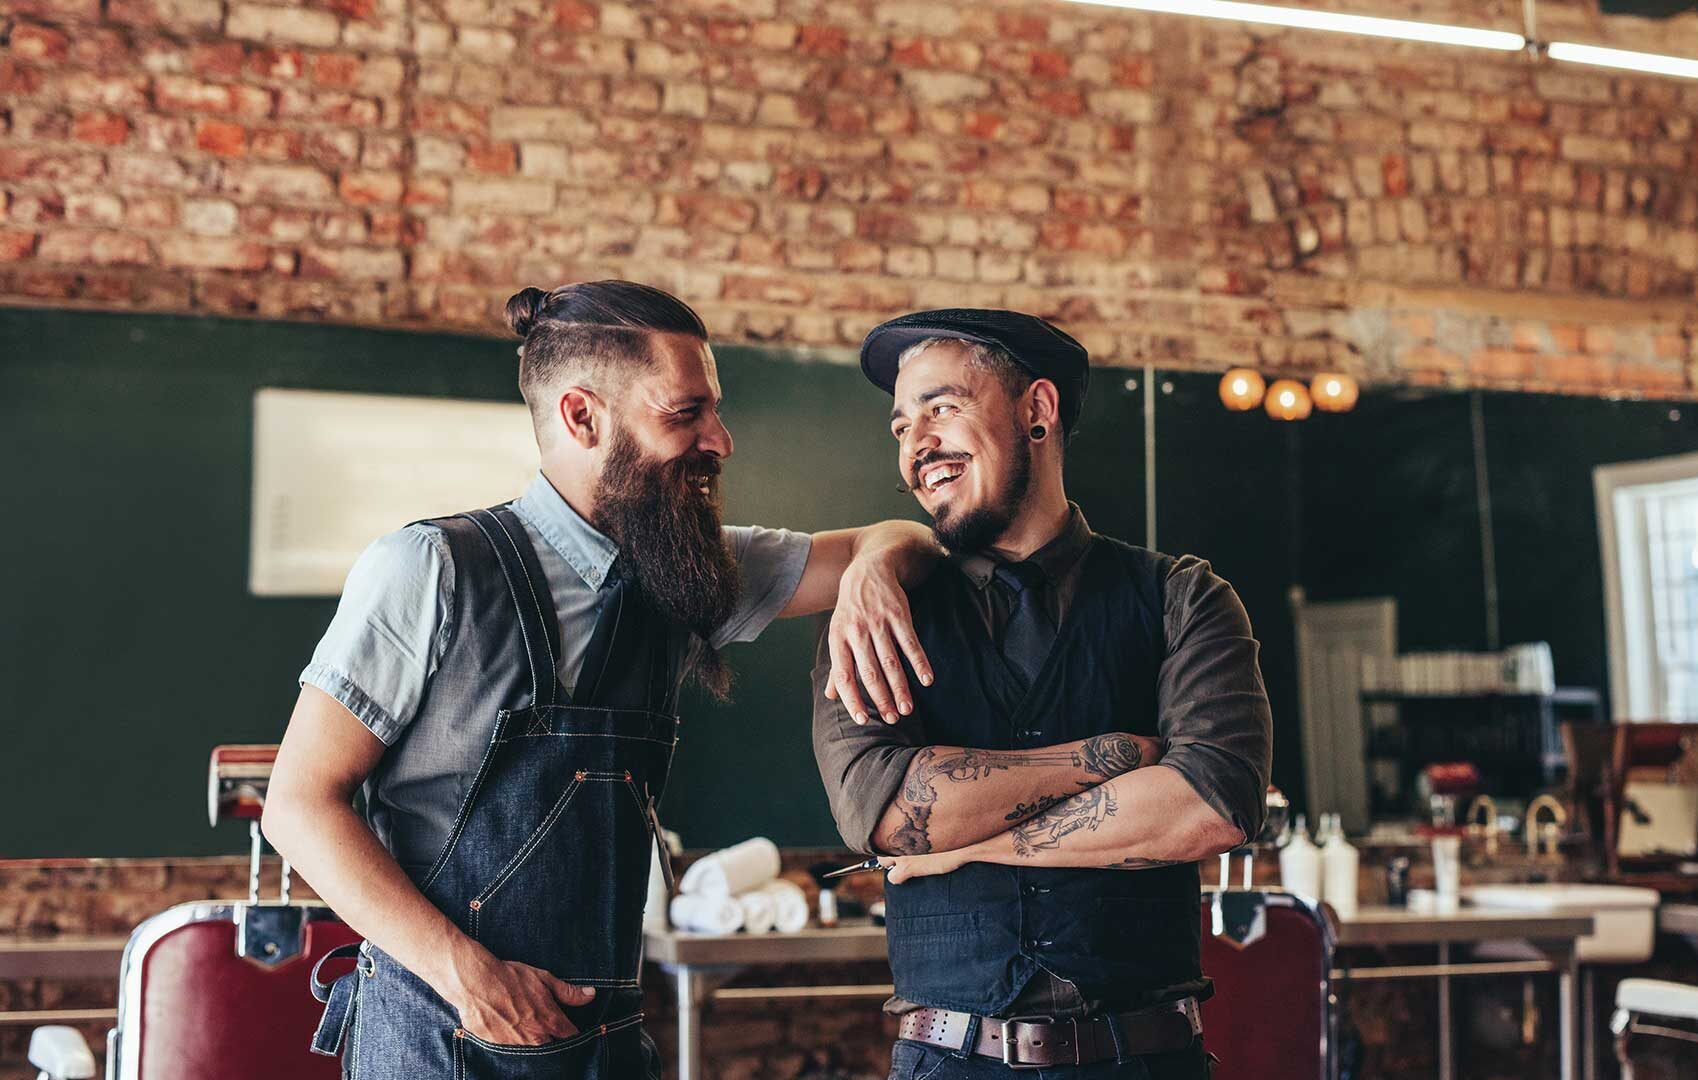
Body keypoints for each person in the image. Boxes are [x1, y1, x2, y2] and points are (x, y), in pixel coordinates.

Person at [261, 280, 943, 1079]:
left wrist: (871, 571)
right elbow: (299, 804)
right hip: (437, 1039)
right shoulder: (429, 567)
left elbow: (910, 538)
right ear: (582, 416)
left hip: (602, 1047)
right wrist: (469, 976)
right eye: (685, 414)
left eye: (713, 411)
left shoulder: (688, 572)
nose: (720, 440)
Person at [812, 309, 1273, 1079]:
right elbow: (889, 814)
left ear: (1037, 410)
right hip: (949, 1062)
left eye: (942, 407)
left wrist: (978, 844)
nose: (915, 446)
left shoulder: (1183, 597)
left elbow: (1213, 803)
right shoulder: (874, 619)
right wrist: (1120, 756)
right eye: (900, 426)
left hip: (1146, 1058)